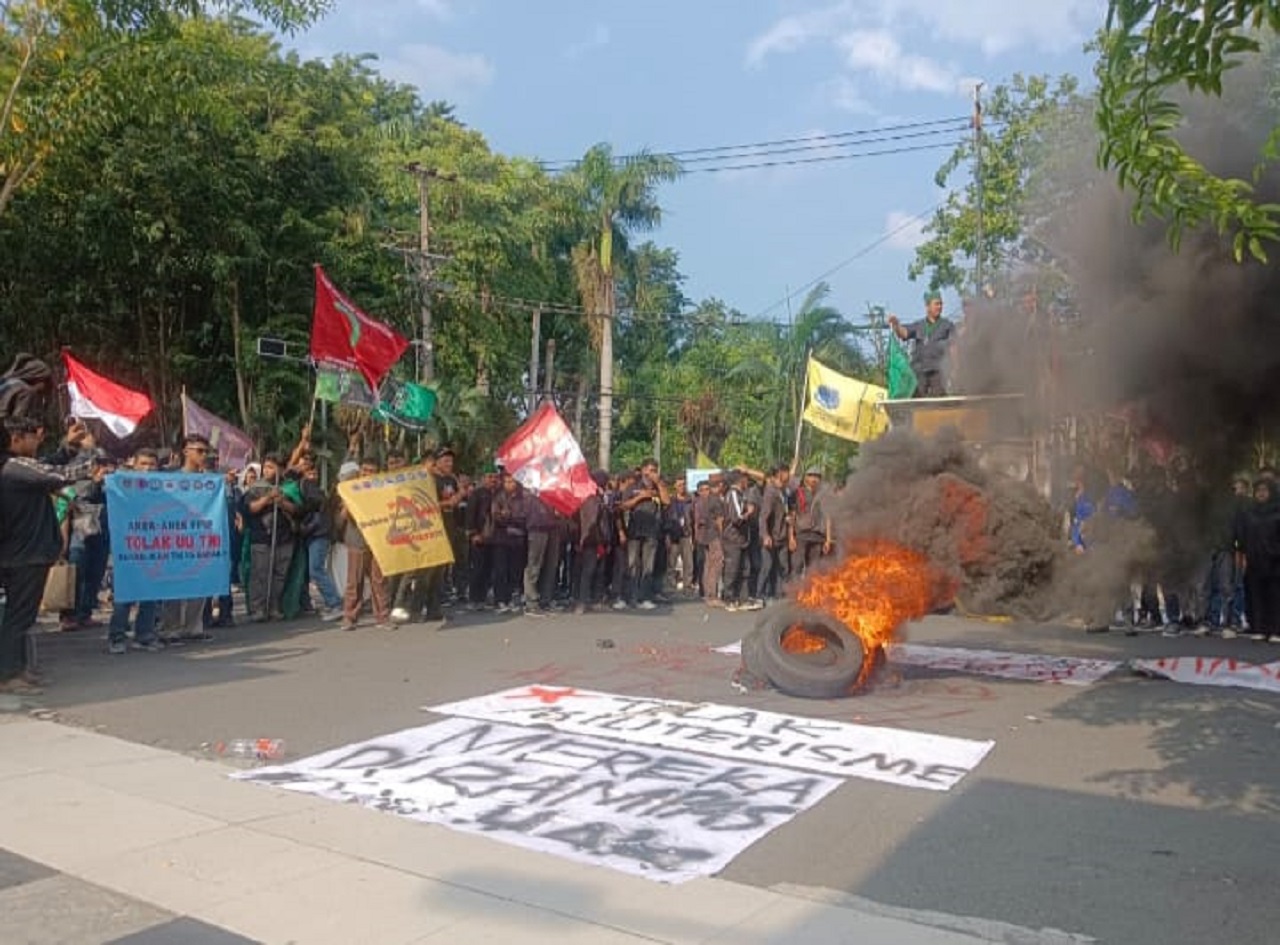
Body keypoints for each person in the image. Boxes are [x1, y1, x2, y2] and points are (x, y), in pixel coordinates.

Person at [0, 418, 100, 693]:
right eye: (33, 436)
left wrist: (69, 446)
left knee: (22, 616)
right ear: (16, 438)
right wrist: (89, 451)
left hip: (22, 553)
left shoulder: (13, 467)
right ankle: (8, 675)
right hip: (26, 555)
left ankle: (17, 669)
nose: (37, 440)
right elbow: (60, 474)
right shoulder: (15, 467)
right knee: (18, 617)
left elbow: (47, 465)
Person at [159, 434, 216, 644]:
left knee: (199, 585)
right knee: (173, 585)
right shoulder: (170, 479)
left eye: (205, 451)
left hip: (200, 539)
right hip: (175, 538)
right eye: (199, 451)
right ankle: (170, 628)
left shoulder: (209, 481)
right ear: (186, 451)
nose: (203, 455)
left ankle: (193, 627)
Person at [107, 448, 165, 655]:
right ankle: (117, 636)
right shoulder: (120, 488)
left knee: (150, 595)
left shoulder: (163, 490)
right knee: (124, 595)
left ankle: (145, 635)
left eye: (152, 464)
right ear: (134, 465)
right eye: (143, 464)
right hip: (127, 548)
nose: (147, 469)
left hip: (153, 548)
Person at [335, 458, 390, 631]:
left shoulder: (383, 490)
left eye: (371, 471)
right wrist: (346, 507)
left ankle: (382, 617)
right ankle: (349, 617)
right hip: (356, 540)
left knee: (379, 580)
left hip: (377, 541)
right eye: (365, 470)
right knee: (354, 581)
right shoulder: (349, 490)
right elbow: (340, 520)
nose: (368, 474)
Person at [243, 452, 300, 621]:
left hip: (284, 537)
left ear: (281, 470)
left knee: (279, 575)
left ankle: (274, 606)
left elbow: (297, 510)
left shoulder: (289, 487)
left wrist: (282, 501)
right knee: (260, 574)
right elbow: (248, 509)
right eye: (265, 467)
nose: (267, 471)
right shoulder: (256, 488)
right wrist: (267, 499)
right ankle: (258, 608)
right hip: (262, 537)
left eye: (271, 467)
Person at [617, 458, 668, 611]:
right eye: (651, 470)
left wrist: (659, 484)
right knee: (632, 564)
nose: (653, 473)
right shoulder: (633, 487)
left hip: (652, 531)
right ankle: (628, 597)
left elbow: (667, 501)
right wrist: (641, 497)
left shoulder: (659, 487)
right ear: (644, 470)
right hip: (635, 530)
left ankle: (645, 597)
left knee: (648, 566)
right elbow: (623, 506)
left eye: (655, 470)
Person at [888, 290, 957, 397]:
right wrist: (896, 325)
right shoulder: (919, 325)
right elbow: (904, 334)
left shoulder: (947, 326)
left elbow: (954, 347)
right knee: (917, 399)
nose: (939, 307)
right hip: (919, 371)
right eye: (936, 304)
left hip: (938, 371)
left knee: (937, 400)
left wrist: (954, 368)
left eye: (941, 304)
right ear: (928, 306)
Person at [793, 467, 832, 573]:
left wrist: (828, 540)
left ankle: (810, 589)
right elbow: (792, 514)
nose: (814, 479)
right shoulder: (798, 493)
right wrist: (791, 537)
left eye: (817, 476)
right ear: (806, 478)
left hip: (818, 537)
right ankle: (794, 589)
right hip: (802, 536)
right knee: (797, 566)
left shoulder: (824, 496)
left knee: (813, 570)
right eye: (811, 476)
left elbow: (828, 517)